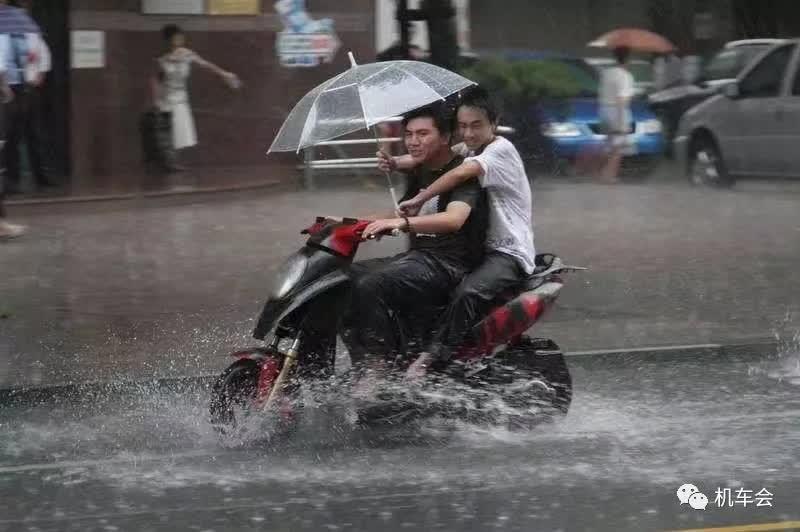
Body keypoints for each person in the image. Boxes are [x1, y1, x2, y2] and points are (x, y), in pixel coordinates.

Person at [386, 86, 536, 378]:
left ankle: (432, 357)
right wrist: (394, 163)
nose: (467, 133)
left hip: (509, 251)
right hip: (481, 248)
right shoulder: (470, 148)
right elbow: (427, 158)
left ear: (494, 122)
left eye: (476, 125)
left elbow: (457, 172)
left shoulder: (500, 150)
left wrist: (419, 198)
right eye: (463, 126)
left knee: (467, 292)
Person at [342, 102, 487, 366]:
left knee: (371, 283)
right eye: (408, 134)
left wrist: (402, 225)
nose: (413, 141)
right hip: (420, 258)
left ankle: (378, 367)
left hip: (449, 265)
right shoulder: (421, 169)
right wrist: (343, 224)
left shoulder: (461, 172)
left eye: (422, 134)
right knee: (341, 280)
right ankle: (363, 362)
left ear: (445, 137)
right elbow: (396, 215)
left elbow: (454, 219)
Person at [150, 24, 240, 172]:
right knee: (169, 130)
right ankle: (168, 162)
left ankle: (172, 162)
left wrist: (225, 74)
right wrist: (157, 100)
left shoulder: (187, 55)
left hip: (181, 98)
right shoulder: (162, 59)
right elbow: (156, 80)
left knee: (180, 130)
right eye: (175, 38)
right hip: (166, 98)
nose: (179, 40)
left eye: (180, 37)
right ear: (168, 40)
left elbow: (206, 65)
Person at [0, 0, 52, 194]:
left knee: (32, 131)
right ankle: (10, 179)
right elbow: (1, 59)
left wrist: (41, 72)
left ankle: (41, 175)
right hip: (8, 87)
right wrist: (3, 85)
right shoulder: (3, 32)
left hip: (27, 86)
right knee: (9, 135)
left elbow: (43, 53)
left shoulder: (31, 33)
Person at [598, 46, 635, 183]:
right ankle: (609, 176)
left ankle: (600, 172)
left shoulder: (607, 73)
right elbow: (622, 100)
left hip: (604, 111)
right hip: (617, 112)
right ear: (628, 59)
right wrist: (620, 122)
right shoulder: (626, 76)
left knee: (608, 144)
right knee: (617, 147)